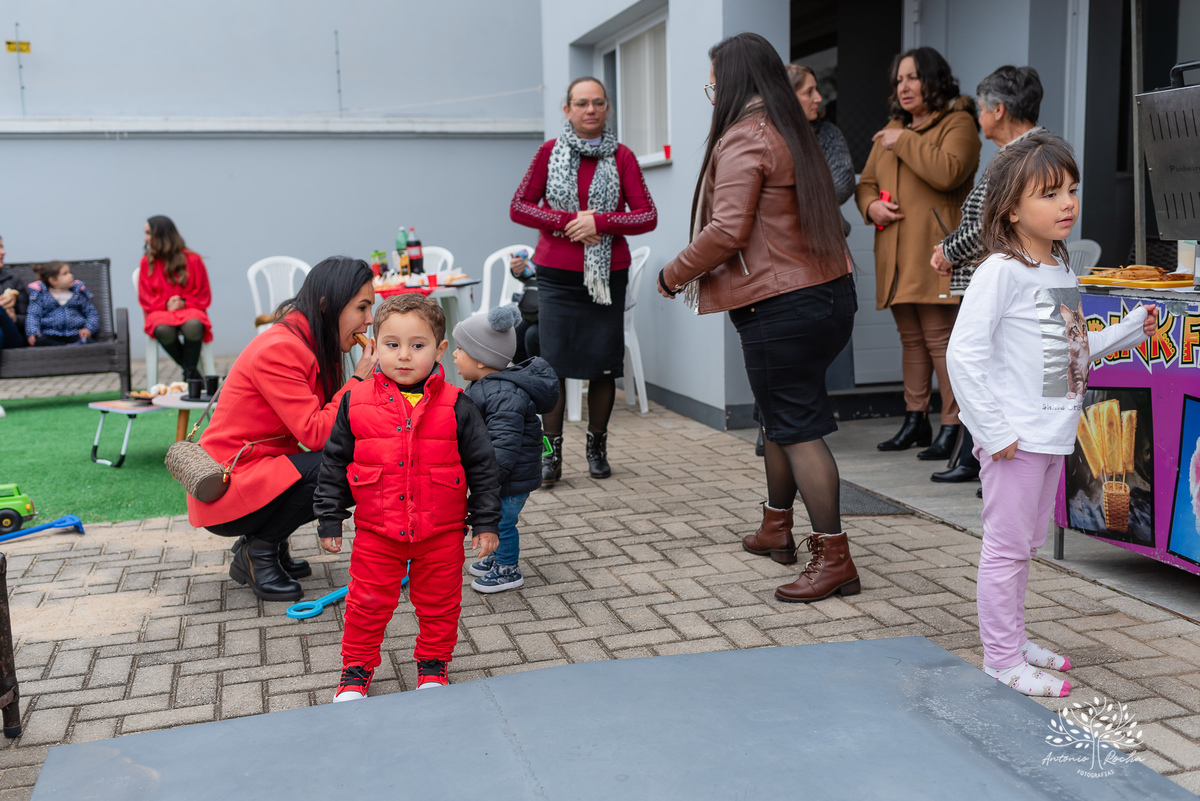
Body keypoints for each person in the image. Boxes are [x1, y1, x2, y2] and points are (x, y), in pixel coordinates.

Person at [946, 133, 1155, 696]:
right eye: (1048, 194)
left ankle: (1012, 641)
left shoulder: (1058, 269)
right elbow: (961, 355)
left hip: (1052, 436)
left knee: (1026, 545)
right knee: (1007, 548)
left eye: (1071, 189)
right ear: (1011, 209)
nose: (1067, 203)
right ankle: (1001, 658)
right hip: (1016, 440)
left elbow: (1074, 350)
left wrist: (1134, 326)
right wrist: (994, 432)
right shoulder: (1000, 271)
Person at [659, 33, 859, 603]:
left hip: (782, 304)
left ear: (736, 83)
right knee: (781, 414)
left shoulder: (748, 136)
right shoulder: (795, 130)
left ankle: (834, 556)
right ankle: (777, 526)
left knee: (797, 426)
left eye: (714, 84)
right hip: (826, 293)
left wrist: (672, 275)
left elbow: (727, 230)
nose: (712, 93)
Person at [314, 294, 501, 700]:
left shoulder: (458, 406)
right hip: (377, 533)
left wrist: (486, 521)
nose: (404, 356)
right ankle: (355, 670)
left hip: (442, 533)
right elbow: (334, 465)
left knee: (440, 605)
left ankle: (433, 665)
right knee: (365, 605)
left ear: (441, 350)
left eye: (417, 345)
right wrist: (330, 518)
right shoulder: (355, 403)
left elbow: (483, 468)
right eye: (391, 344)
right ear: (374, 346)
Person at [187, 256, 379, 602]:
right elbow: (316, 434)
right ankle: (258, 551)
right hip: (226, 487)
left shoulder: (312, 339)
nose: (369, 320)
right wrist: (359, 381)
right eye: (362, 308)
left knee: (347, 460)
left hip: (255, 473)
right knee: (343, 467)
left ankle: (270, 547)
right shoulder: (281, 349)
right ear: (327, 305)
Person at [510, 76, 657, 483]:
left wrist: (602, 222)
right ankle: (549, 456)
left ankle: (597, 448)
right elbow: (519, 206)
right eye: (581, 103)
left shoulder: (623, 156)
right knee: (551, 366)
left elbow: (647, 215)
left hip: (608, 278)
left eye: (597, 102)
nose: (590, 109)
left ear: (606, 108)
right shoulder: (548, 153)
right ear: (567, 109)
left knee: (603, 367)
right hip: (557, 277)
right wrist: (570, 222)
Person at [855, 46, 981, 460]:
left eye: (912, 77)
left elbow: (948, 172)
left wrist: (904, 140)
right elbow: (866, 183)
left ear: (934, 79)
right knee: (910, 339)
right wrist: (870, 205)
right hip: (895, 251)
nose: (904, 87)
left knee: (941, 341)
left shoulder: (959, 121)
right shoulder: (894, 128)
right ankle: (915, 420)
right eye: (898, 80)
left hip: (936, 252)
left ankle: (953, 425)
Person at [930, 65, 1046, 487]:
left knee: (995, 370)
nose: (979, 118)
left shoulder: (1022, 155)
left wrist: (947, 251)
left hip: (1005, 281)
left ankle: (987, 460)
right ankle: (973, 456)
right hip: (1006, 278)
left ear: (998, 110)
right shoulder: (1030, 149)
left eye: (981, 109)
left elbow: (985, 225)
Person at [452, 306, 559, 593]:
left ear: (483, 359)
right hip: (500, 477)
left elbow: (504, 446)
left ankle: (508, 570)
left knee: (502, 523)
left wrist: (485, 481)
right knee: (499, 519)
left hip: (508, 479)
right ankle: (498, 559)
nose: (454, 354)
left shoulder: (502, 394)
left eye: (461, 348)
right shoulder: (483, 386)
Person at [138, 216, 213, 382]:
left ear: (162, 235)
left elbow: (203, 294)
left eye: (149, 233)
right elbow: (145, 297)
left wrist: (183, 302)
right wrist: (166, 303)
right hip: (160, 311)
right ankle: (192, 374)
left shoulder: (193, 259)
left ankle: (189, 373)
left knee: (194, 323)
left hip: (190, 308)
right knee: (162, 327)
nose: (145, 238)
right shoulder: (146, 263)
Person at [787, 64, 855, 226]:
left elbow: (842, 184)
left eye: (816, 90)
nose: (818, 98)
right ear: (788, 97)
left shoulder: (827, 134)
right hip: (780, 239)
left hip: (825, 235)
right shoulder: (768, 135)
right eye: (809, 92)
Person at [25, 262, 100, 346]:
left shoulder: (78, 293)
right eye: (65, 273)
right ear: (53, 280)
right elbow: (33, 315)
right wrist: (33, 332)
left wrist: (88, 328)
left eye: (69, 272)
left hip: (76, 334)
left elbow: (91, 313)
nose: (71, 275)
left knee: (92, 344)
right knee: (39, 341)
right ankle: (66, 347)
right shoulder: (41, 295)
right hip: (50, 335)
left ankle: (72, 345)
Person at [0, 235, 29, 417]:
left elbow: (31, 318)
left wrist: (13, 316)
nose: (3, 252)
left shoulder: (13, 280)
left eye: (2, 247)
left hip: (13, 337)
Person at [509, 252, 540, 364]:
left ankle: (544, 378)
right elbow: (531, 273)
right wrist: (520, 269)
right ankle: (528, 377)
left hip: (560, 308)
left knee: (532, 336)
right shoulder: (546, 241)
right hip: (534, 312)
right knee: (513, 336)